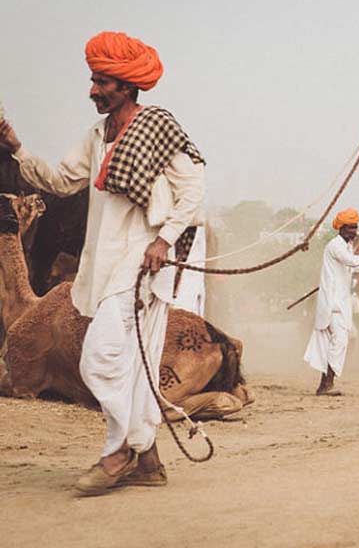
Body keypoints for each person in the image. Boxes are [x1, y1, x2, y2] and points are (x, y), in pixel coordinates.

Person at [0, 31, 205, 495]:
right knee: (129, 364)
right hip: (104, 262)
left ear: (126, 86)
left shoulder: (157, 126)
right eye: (92, 80)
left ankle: (119, 453)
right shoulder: (97, 135)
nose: (93, 90)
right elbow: (60, 180)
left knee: (99, 359)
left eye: (102, 81)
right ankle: (147, 458)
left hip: (141, 260)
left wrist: (165, 239)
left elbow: (193, 187)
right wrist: (16, 147)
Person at [304, 208, 359, 395]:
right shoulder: (335, 246)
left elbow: (348, 269)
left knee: (335, 343)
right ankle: (326, 385)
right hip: (333, 304)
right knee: (339, 342)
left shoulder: (345, 247)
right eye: (351, 228)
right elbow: (350, 261)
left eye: (355, 227)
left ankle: (325, 385)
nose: (355, 232)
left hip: (339, 303)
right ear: (341, 228)